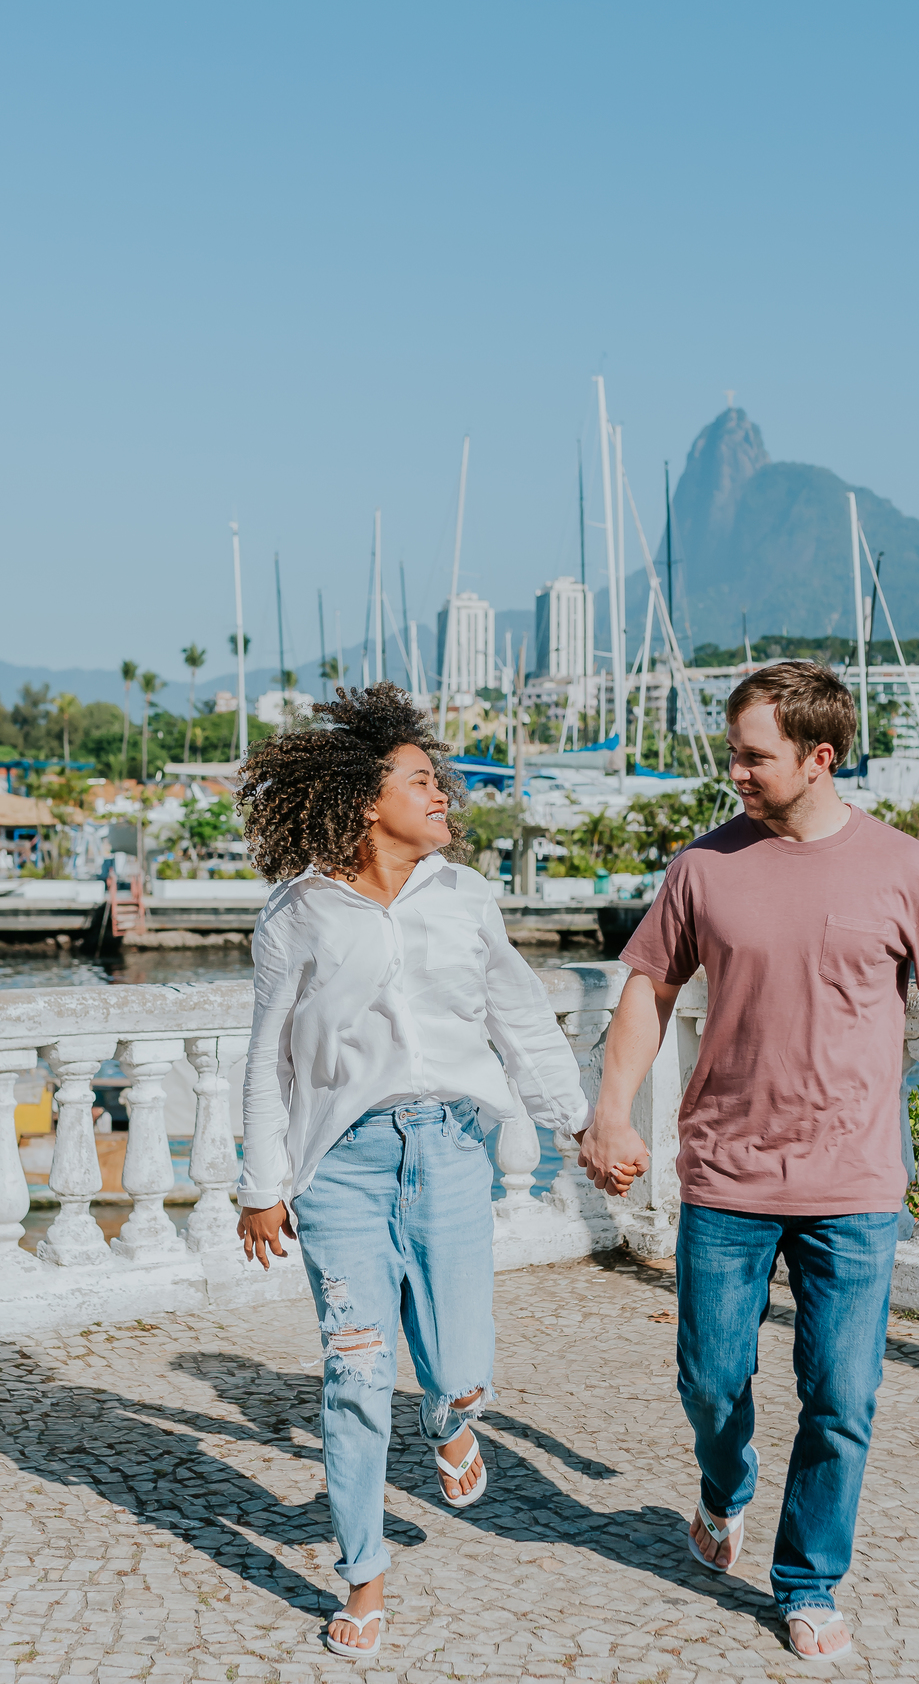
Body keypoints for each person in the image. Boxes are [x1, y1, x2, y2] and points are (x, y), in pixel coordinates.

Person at [579, 662, 919, 1667]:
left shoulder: (906, 868)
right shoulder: (703, 867)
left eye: (752, 755)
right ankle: (725, 1482)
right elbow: (648, 987)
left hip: (854, 1187)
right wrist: (612, 1108)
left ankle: (808, 1580)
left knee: (841, 1396)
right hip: (725, 1177)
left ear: (820, 757)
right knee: (711, 1381)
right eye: (732, 751)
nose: (734, 771)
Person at [234, 682, 597, 1660]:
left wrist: (579, 1124)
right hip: (340, 1171)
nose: (442, 795)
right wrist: (259, 1183)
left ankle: (451, 1423)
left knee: (461, 1366)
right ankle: (363, 1577)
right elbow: (268, 1056)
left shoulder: (467, 899)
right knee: (354, 1374)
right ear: (363, 800)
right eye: (422, 782)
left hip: (449, 1153)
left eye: (439, 782)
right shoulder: (298, 914)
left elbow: (520, 1019)